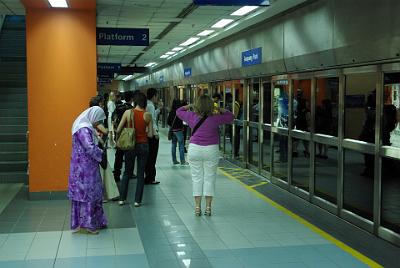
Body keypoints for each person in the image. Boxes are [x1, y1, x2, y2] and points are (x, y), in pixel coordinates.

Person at [177, 95, 234, 216]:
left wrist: (190, 106)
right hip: (211, 150)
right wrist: (219, 108)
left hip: (195, 149)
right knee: (210, 178)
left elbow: (179, 111)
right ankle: (208, 208)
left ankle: (197, 207)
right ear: (210, 105)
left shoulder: (192, 116)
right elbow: (231, 116)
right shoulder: (215, 118)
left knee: (196, 178)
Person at [68, 106, 108, 234]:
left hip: (85, 167)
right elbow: (90, 147)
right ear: (94, 116)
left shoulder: (85, 125)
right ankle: (88, 225)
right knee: (87, 195)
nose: (98, 123)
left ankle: (95, 221)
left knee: (91, 194)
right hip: (84, 170)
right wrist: (101, 155)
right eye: (98, 120)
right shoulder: (83, 129)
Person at [116, 92, 153, 207]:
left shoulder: (128, 112)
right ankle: (137, 201)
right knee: (141, 173)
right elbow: (151, 134)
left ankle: (122, 198)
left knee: (127, 172)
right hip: (143, 146)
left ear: (134, 102)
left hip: (130, 146)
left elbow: (118, 129)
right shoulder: (148, 115)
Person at [113, 91, 134, 182]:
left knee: (118, 155)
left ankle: (116, 174)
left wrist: (116, 137)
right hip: (129, 134)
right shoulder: (131, 109)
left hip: (120, 133)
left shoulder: (118, 108)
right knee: (129, 155)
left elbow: (114, 120)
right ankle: (129, 173)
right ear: (132, 99)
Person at [145, 88, 160, 185]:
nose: (157, 98)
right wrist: (156, 133)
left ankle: (149, 177)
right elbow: (152, 121)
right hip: (152, 134)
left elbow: (153, 116)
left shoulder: (147, 104)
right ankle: (150, 178)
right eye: (157, 95)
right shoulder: (150, 105)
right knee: (152, 156)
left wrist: (159, 109)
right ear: (154, 95)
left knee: (149, 157)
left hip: (147, 133)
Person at [168, 99, 187, 165]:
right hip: (179, 130)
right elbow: (181, 121)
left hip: (173, 130)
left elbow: (168, 122)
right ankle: (182, 161)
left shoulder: (171, 111)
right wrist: (182, 128)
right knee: (181, 145)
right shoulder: (179, 112)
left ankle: (174, 160)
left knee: (173, 145)